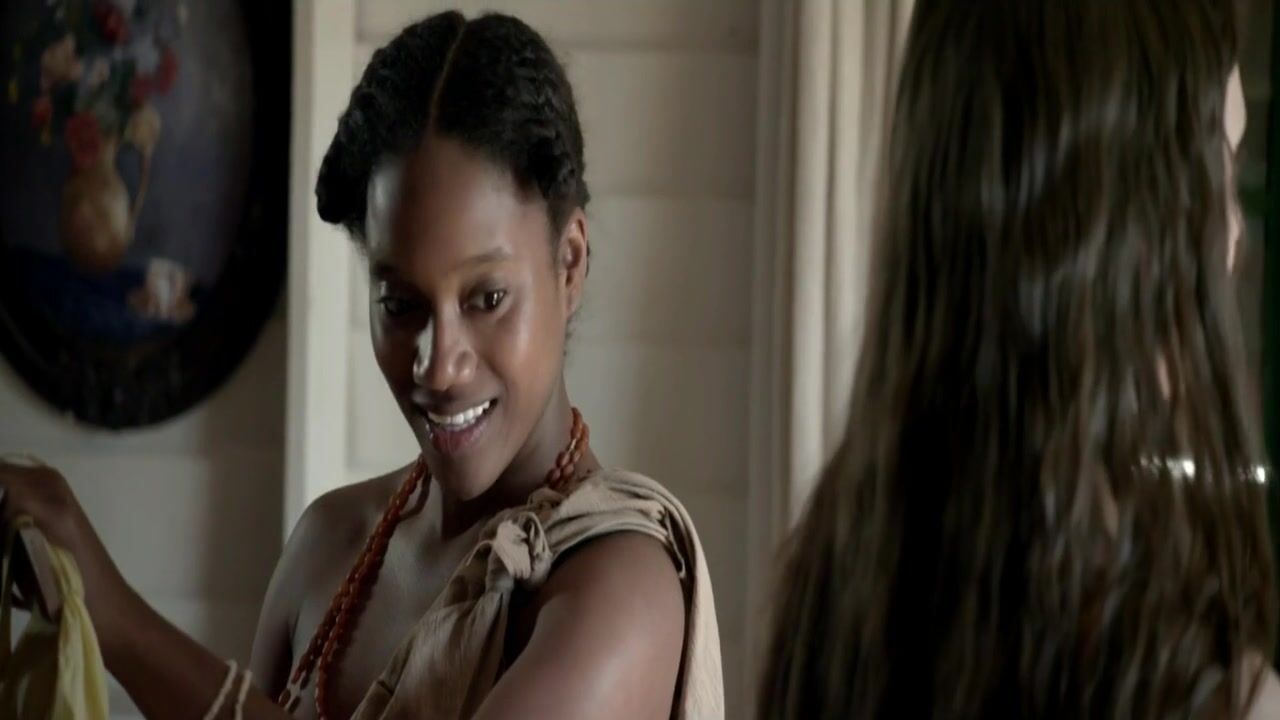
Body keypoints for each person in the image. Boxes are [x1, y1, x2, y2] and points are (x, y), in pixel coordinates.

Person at [0, 11, 722, 720]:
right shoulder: (329, 545)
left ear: (570, 264)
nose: (438, 365)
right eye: (401, 303)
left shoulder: (618, 590)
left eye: (487, 298)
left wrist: (120, 621)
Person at [757, 0, 1280, 718]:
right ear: (1120, 227)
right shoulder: (1208, 689)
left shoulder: (834, 598)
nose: (1235, 238)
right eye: (1216, 175)